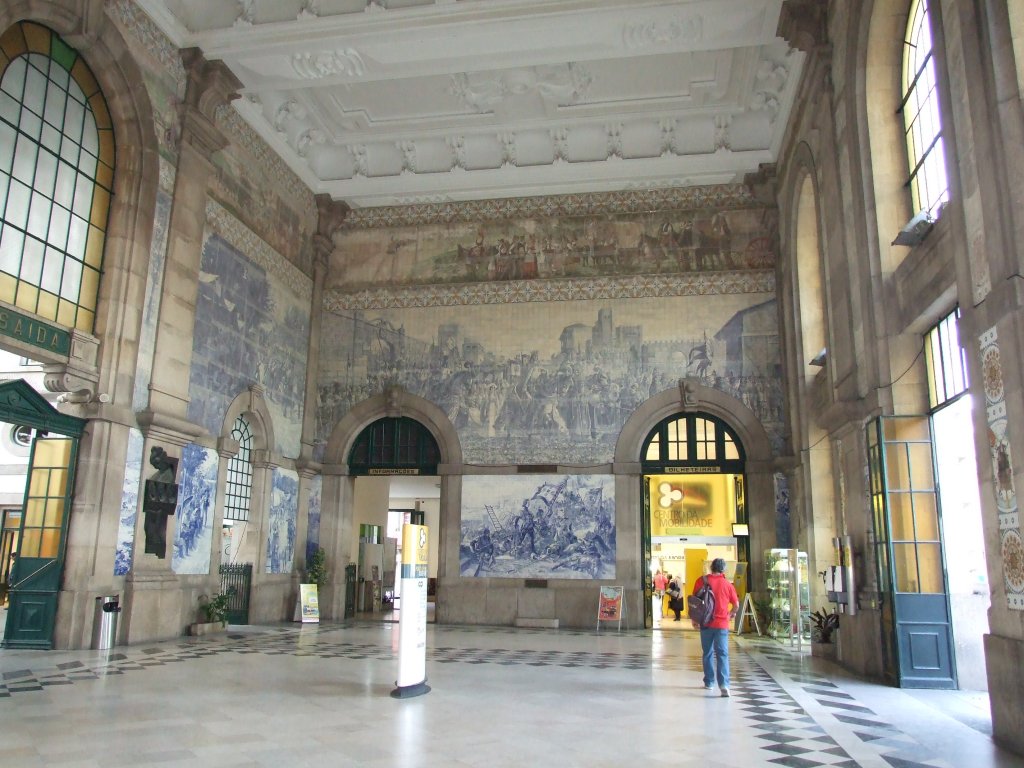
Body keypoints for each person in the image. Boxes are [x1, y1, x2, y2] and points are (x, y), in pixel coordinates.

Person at [691, 558, 739, 696]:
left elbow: (694, 603)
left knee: (707, 653)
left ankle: (709, 682)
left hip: (705, 622)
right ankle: (724, 685)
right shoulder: (727, 584)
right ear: (723, 569)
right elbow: (736, 605)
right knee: (722, 653)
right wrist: (730, 614)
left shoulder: (701, 581)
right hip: (722, 623)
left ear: (711, 567)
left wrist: (695, 619)